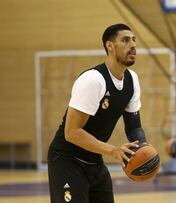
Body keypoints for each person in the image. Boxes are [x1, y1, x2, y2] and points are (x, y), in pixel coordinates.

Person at [47, 23, 147, 203]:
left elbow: (134, 127)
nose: (133, 45)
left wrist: (144, 152)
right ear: (110, 46)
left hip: (94, 159)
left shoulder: (132, 79)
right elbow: (72, 133)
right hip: (66, 159)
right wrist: (113, 150)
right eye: (125, 40)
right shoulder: (93, 80)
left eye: (134, 40)